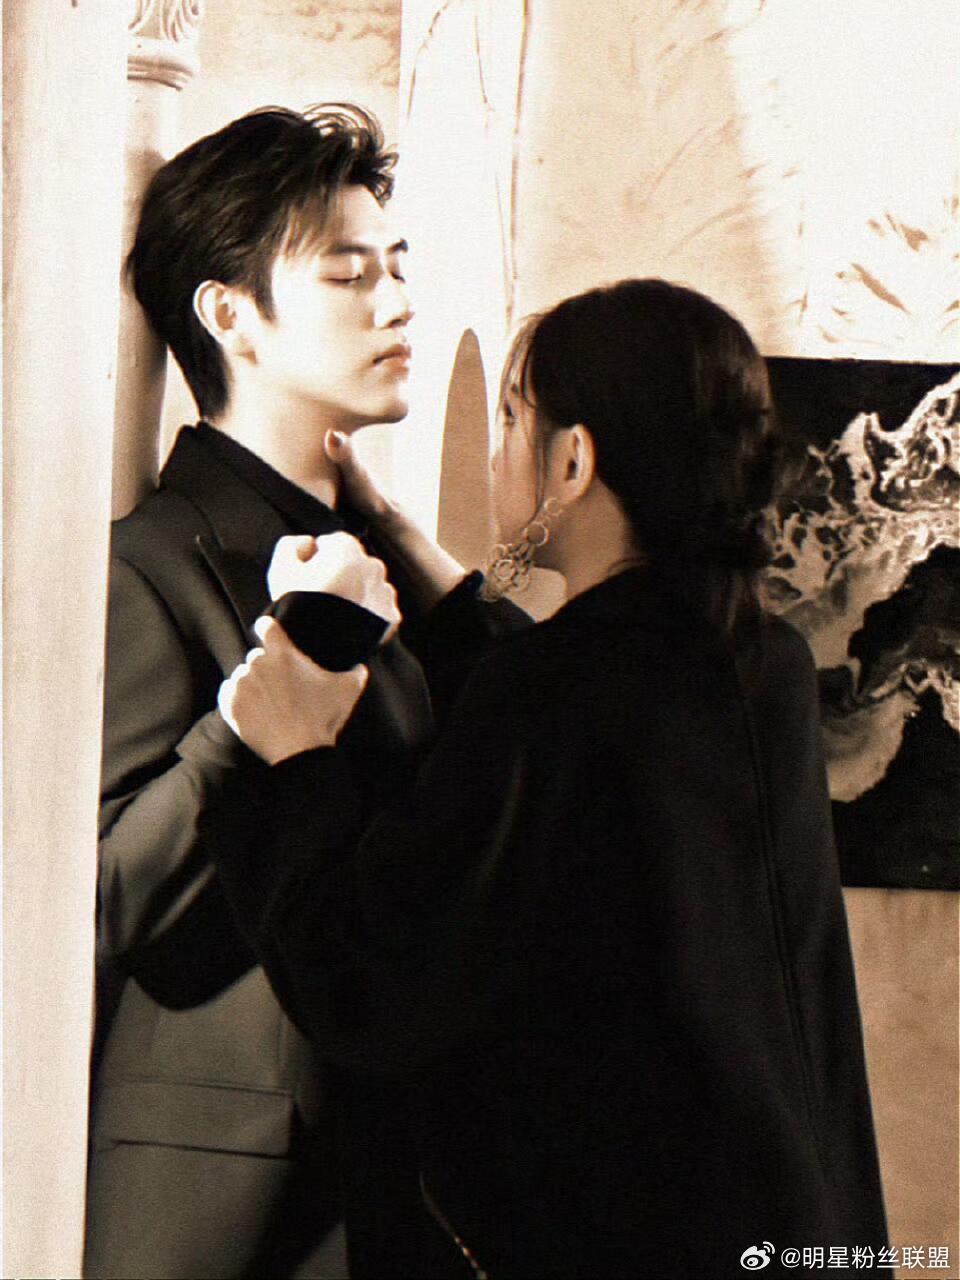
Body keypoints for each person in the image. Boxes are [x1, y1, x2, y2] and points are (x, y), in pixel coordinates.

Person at [209, 278, 889, 1278]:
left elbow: (374, 983)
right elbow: (590, 737)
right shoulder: (763, 659)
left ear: (572, 461)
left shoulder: (559, 690)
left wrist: (295, 759)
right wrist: (426, 569)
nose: (497, 456)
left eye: (511, 421)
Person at [87, 102, 518, 1279]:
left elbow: (543, 737)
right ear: (230, 316)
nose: (397, 302)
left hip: (399, 1185)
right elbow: (107, 903)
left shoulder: (371, 561)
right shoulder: (150, 562)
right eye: (348, 274)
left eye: (397, 266)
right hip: (229, 1207)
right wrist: (250, 713)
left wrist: (418, 561)